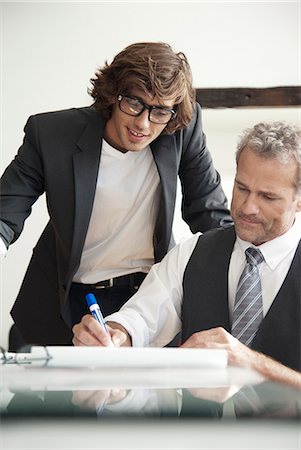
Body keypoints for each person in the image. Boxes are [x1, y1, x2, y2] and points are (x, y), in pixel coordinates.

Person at [0, 42, 231, 349]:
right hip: (66, 299)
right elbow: (7, 208)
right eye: (135, 103)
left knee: (147, 395)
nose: (143, 124)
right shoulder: (52, 134)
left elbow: (210, 213)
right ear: (112, 94)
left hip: (147, 298)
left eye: (160, 111)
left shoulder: (180, 129)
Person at [73, 121, 301, 389]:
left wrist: (254, 364)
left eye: (268, 197)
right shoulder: (192, 253)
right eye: (241, 188)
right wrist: (114, 335)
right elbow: (141, 318)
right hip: (197, 430)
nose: (248, 207)